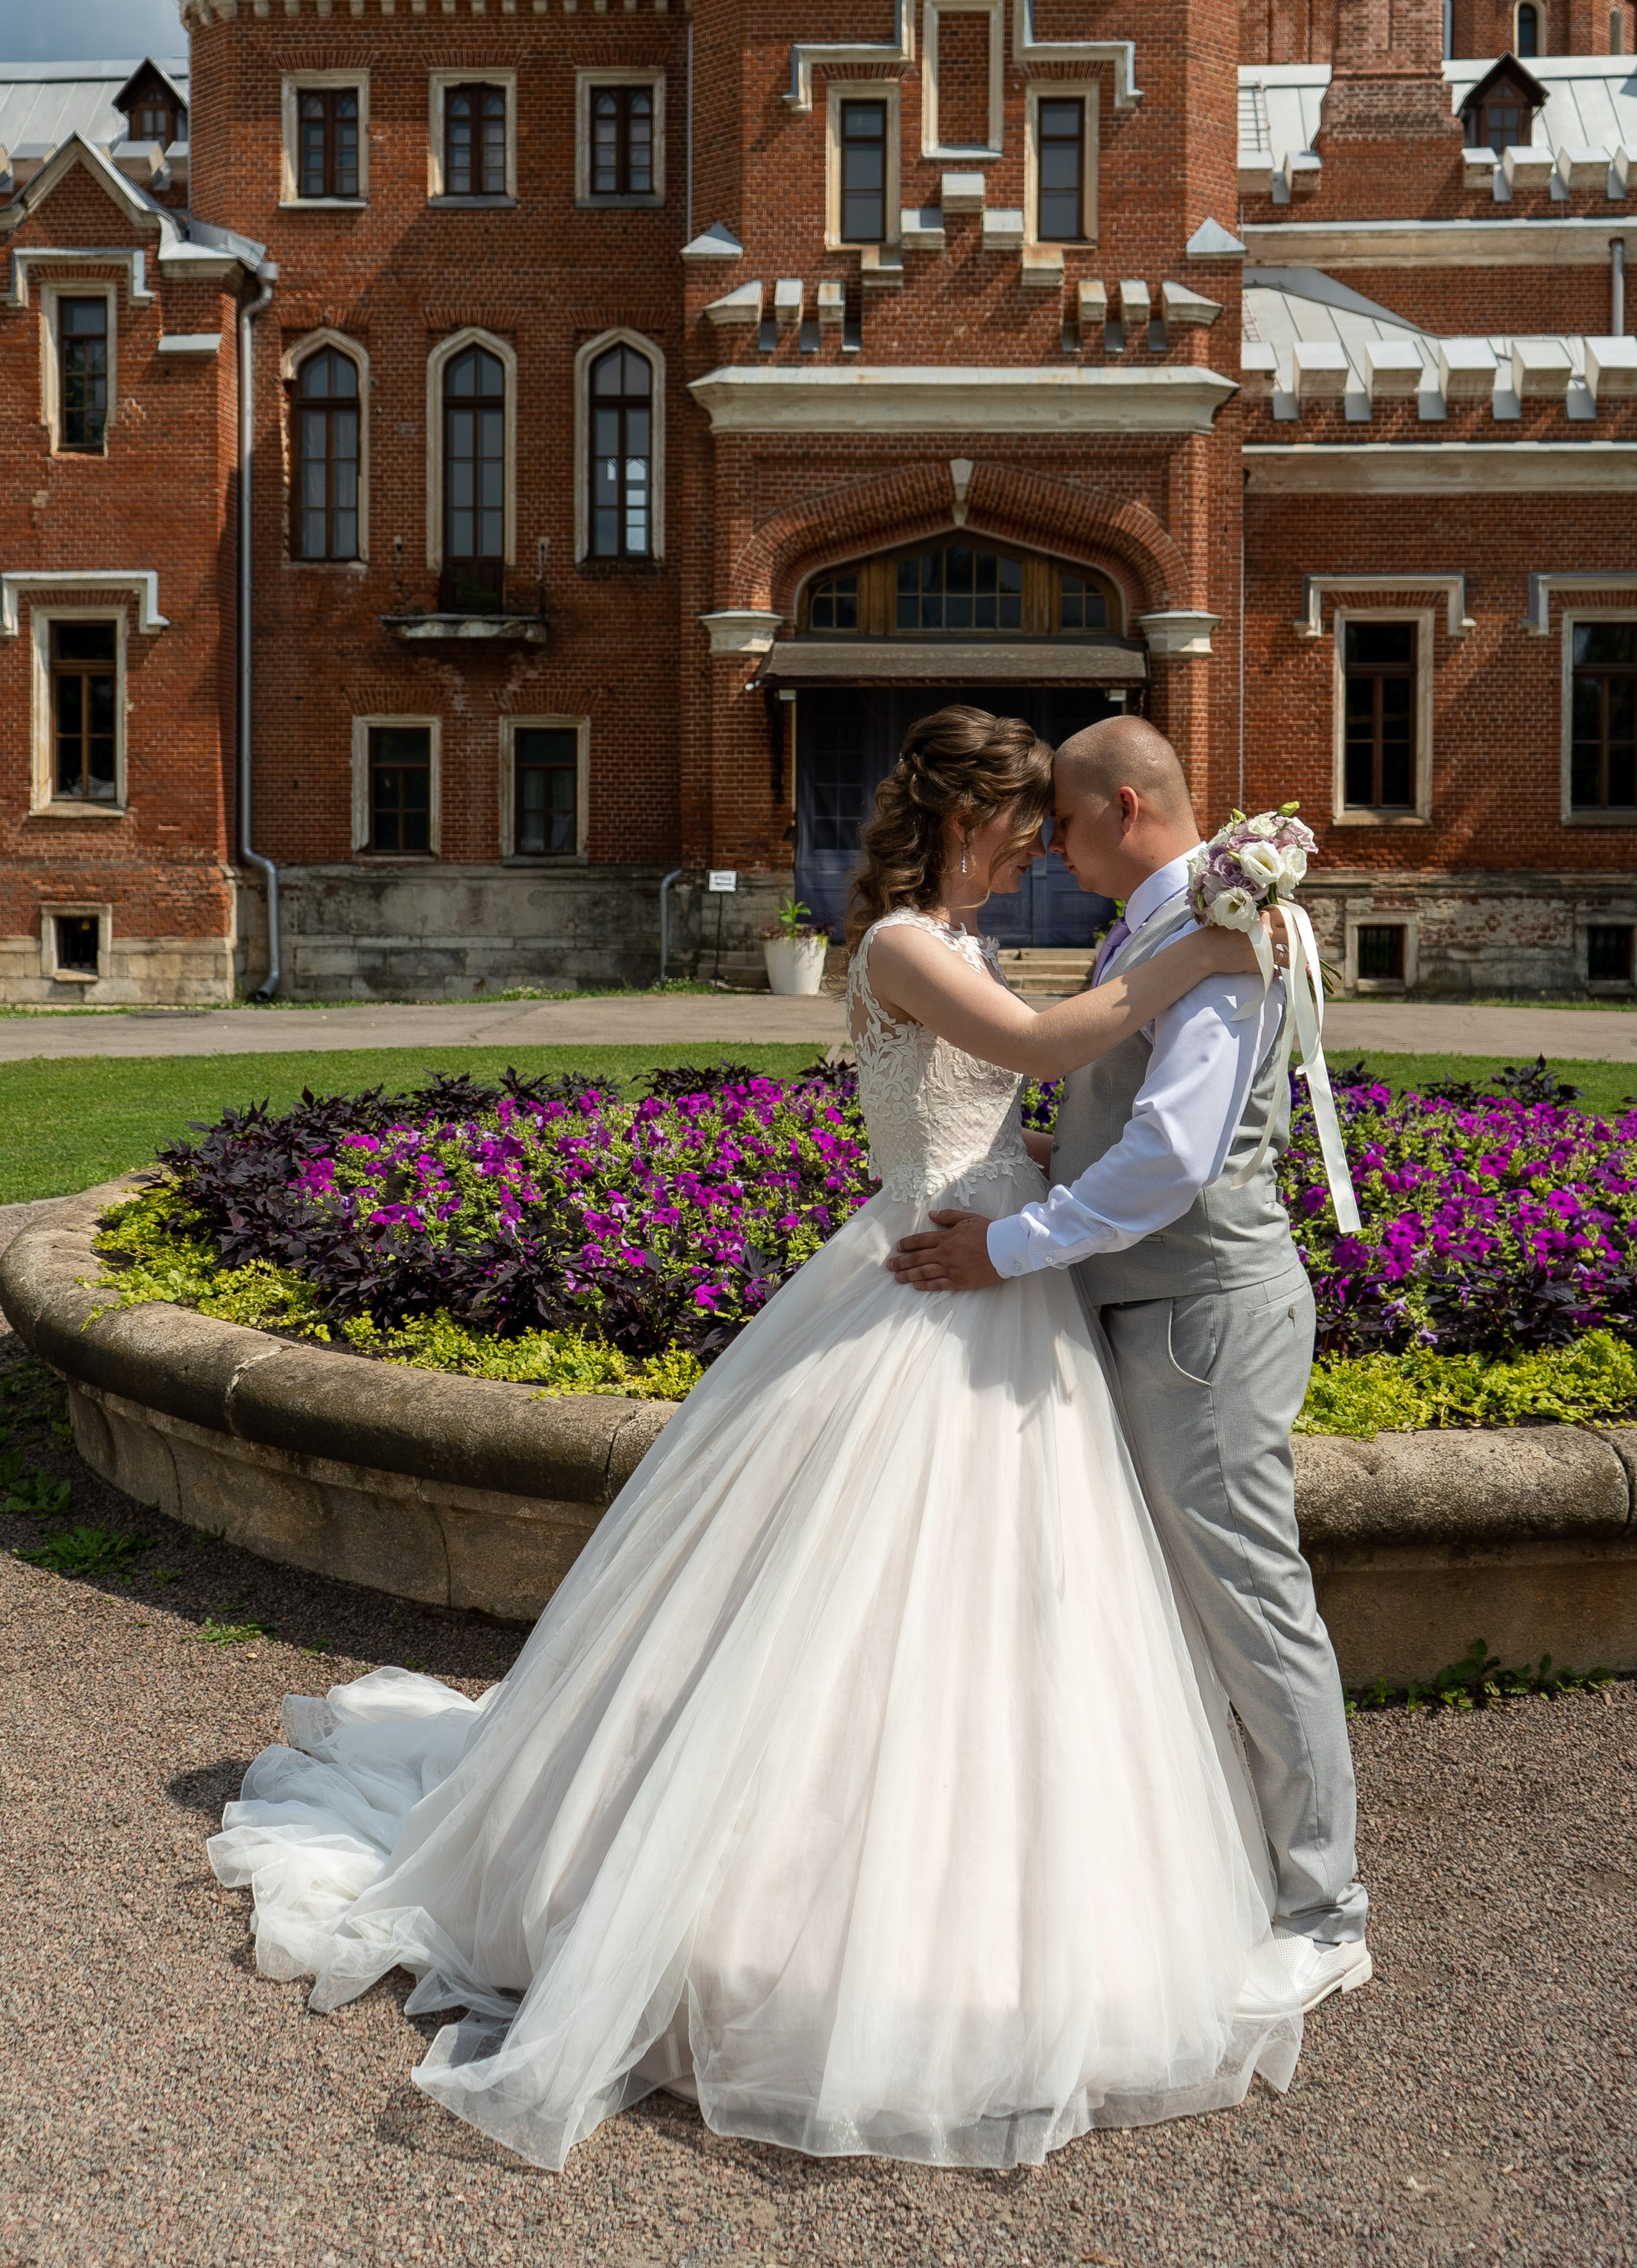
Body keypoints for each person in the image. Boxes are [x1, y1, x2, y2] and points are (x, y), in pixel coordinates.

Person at [206, 706, 1309, 2175]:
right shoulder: (907, 943)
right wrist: (1212, 949)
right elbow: (1044, 1046)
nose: (1038, 848)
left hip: (991, 1273)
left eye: (1051, 821)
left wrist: (1037, 1158)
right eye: (1020, 823)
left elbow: (999, 1105)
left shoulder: (958, 940)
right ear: (966, 821)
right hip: (935, 1282)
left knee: (1007, 1605)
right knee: (845, 1592)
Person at [890, 717, 1371, 2021]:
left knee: (1251, 1603)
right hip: (1146, 1307)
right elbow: (1121, 1114)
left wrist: (1009, 1246)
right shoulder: (1163, 932)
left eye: (1061, 820)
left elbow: (1174, 1159)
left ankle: (1325, 1914)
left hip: (1199, 1315)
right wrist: (1023, 1170)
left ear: (1123, 809)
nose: (1048, 844)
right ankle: (1216, 1862)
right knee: (1164, 1603)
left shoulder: (1211, 940)